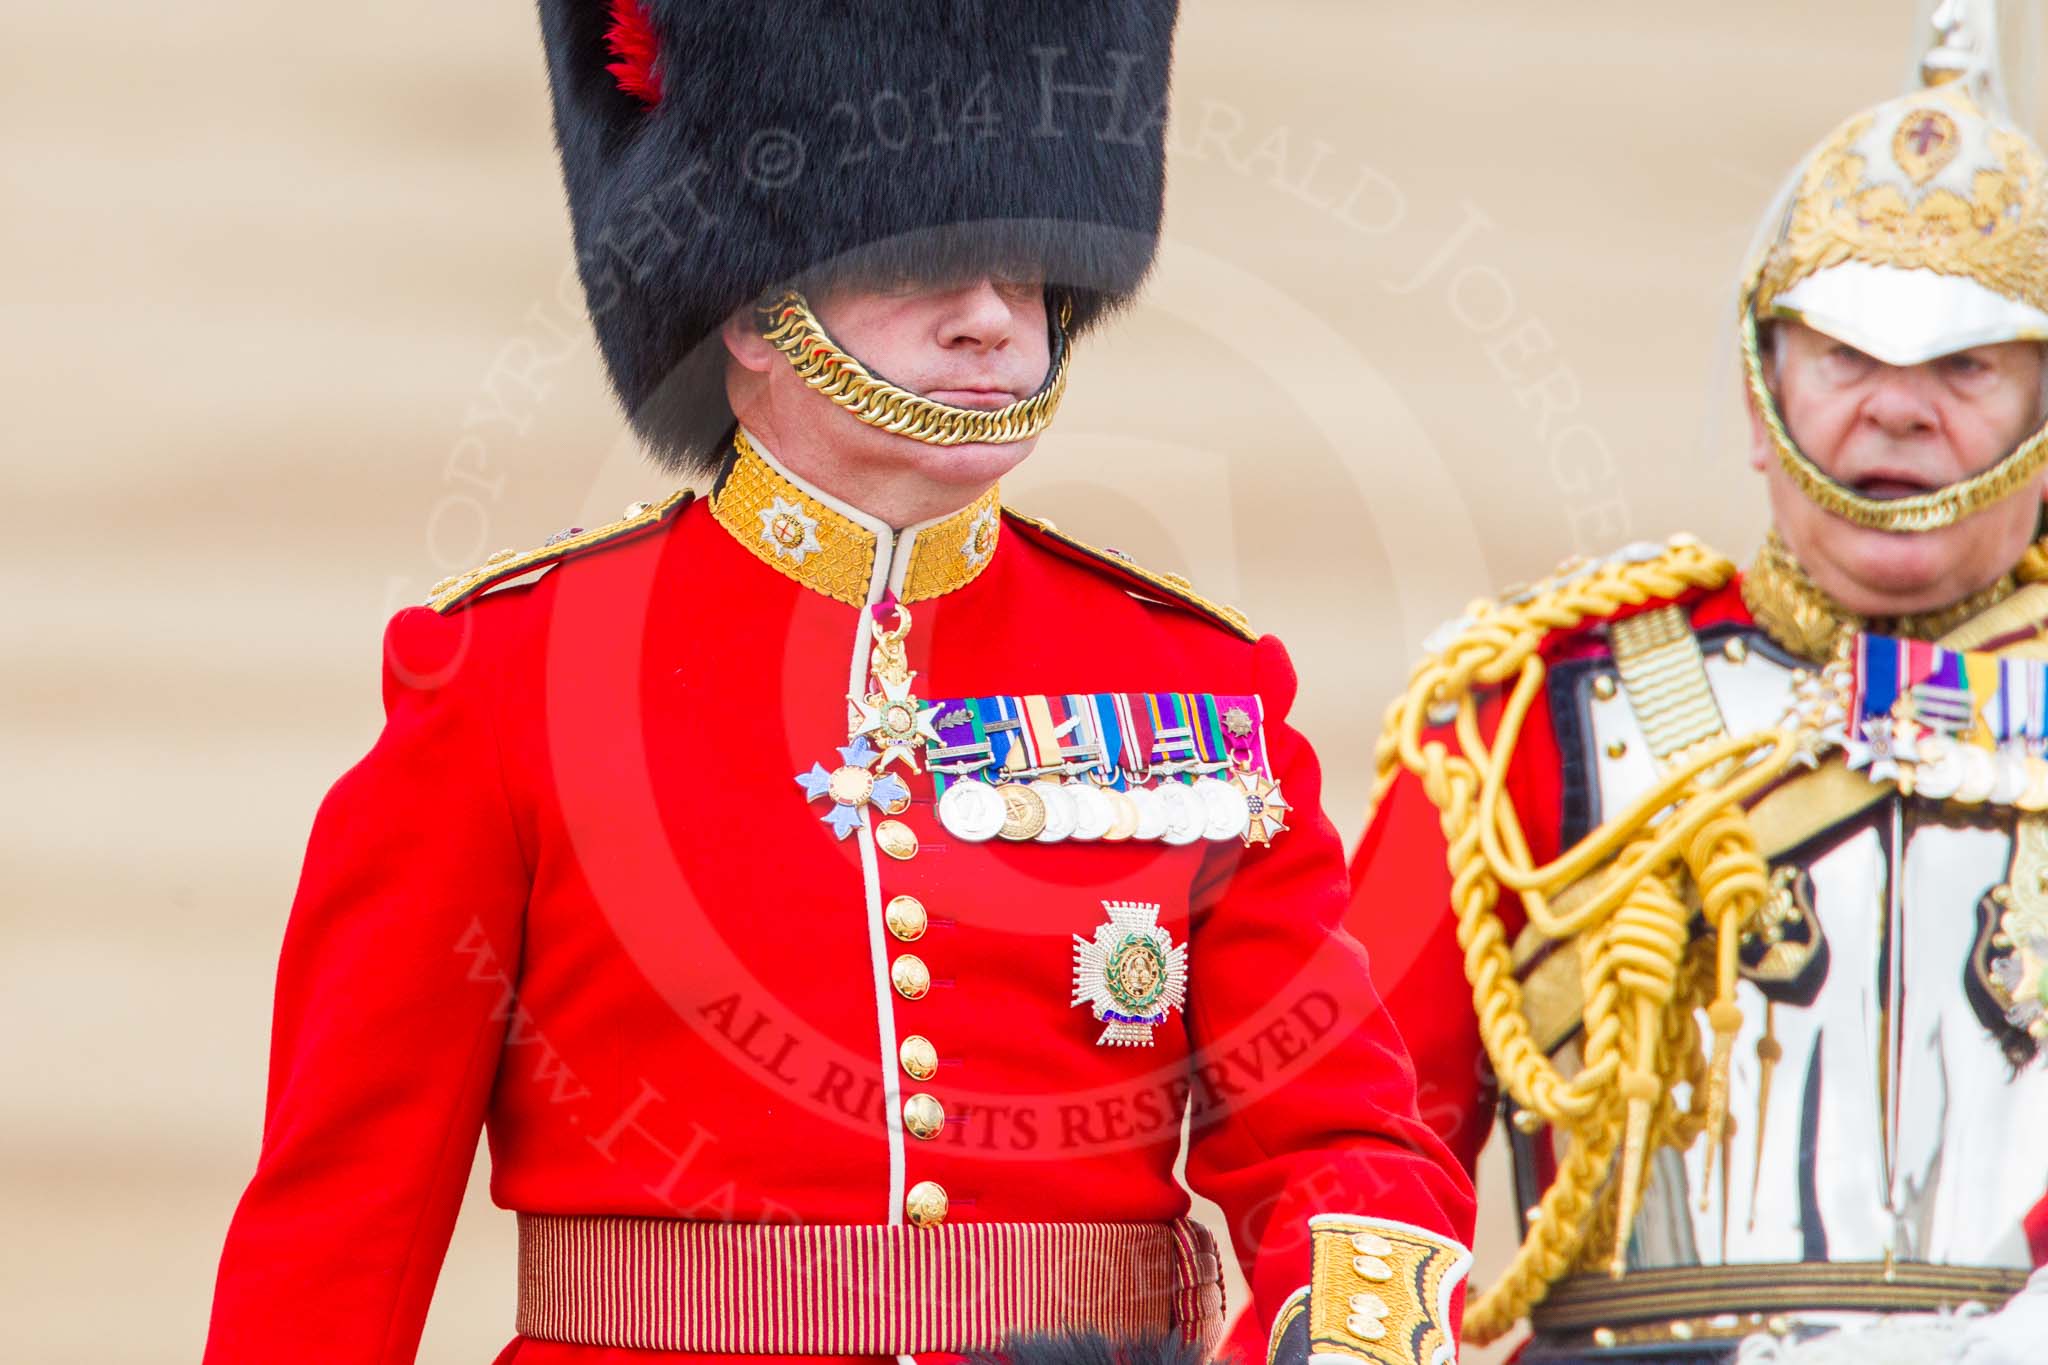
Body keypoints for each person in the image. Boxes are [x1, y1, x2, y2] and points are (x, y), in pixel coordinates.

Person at [201, 3, 1475, 1362]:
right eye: (922, 258)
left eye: (1029, 266)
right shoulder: (512, 681)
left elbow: (1343, 1146)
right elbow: (341, 1230)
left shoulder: (1191, 685)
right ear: (753, 308)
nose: (994, 319)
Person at [1348, 4, 2048, 1363]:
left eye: (1964, 365)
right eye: (1846, 355)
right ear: (1758, 387)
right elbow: (1359, 1126)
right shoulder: (1527, 724)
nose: (1897, 410)